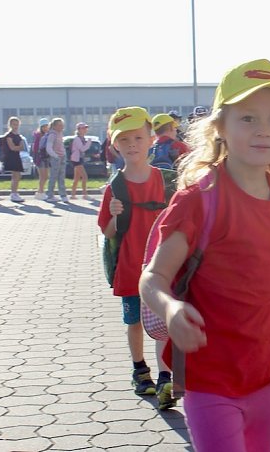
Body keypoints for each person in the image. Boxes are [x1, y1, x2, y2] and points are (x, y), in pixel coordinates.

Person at [139, 60, 270, 451]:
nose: (264, 130)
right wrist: (170, 309)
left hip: (269, 371)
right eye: (248, 118)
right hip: (210, 377)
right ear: (220, 127)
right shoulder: (199, 200)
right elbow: (152, 278)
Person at [98, 107, 175, 409]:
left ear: (151, 139)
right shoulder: (114, 188)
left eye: (138, 137)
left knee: (162, 324)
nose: (132, 144)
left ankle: (165, 377)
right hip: (130, 269)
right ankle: (139, 369)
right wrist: (115, 216)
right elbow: (107, 232)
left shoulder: (168, 182)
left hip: (163, 269)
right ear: (115, 144)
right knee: (134, 323)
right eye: (124, 139)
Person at [1, 116, 27, 203]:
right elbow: (12, 147)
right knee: (16, 175)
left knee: (18, 175)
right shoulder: (9, 136)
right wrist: (18, 147)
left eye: (17, 124)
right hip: (11, 157)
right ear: (10, 125)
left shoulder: (18, 136)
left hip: (17, 156)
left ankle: (14, 192)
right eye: (14, 124)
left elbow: (22, 147)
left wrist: (19, 147)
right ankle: (13, 193)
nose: (16, 126)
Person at [44, 118, 68, 203]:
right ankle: (50, 195)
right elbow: (49, 148)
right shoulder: (52, 135)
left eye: (62, 125)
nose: (61, 127)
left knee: (61, 177)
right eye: (59, 125)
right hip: (55, 158)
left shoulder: (60, 133)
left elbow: (61, 145)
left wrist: (63, 154)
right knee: (53, 177)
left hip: (62, 157)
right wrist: (55, 156)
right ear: (54, 126)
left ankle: (63, 195)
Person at [69, 122, 92, 200]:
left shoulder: (81, 138)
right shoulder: (77, 139)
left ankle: (73, 195)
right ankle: (85, 194)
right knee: (85, 176)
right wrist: (89, 143)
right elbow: (82, 149)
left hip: (78, 159)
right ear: (79, 130)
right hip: (76, 160)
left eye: (86, 128)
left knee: (76, 178)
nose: (85, 129)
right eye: (83, 128)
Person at [32, 118, 51, 200]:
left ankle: (40, 191)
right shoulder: (38, 136)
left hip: (46, 157)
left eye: (47, 126)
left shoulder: (48, 135)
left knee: (46, 176)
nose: (45, 128)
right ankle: (40, 192)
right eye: (44, 126)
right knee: (42, 176)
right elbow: (35, 148)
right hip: (40, 158)